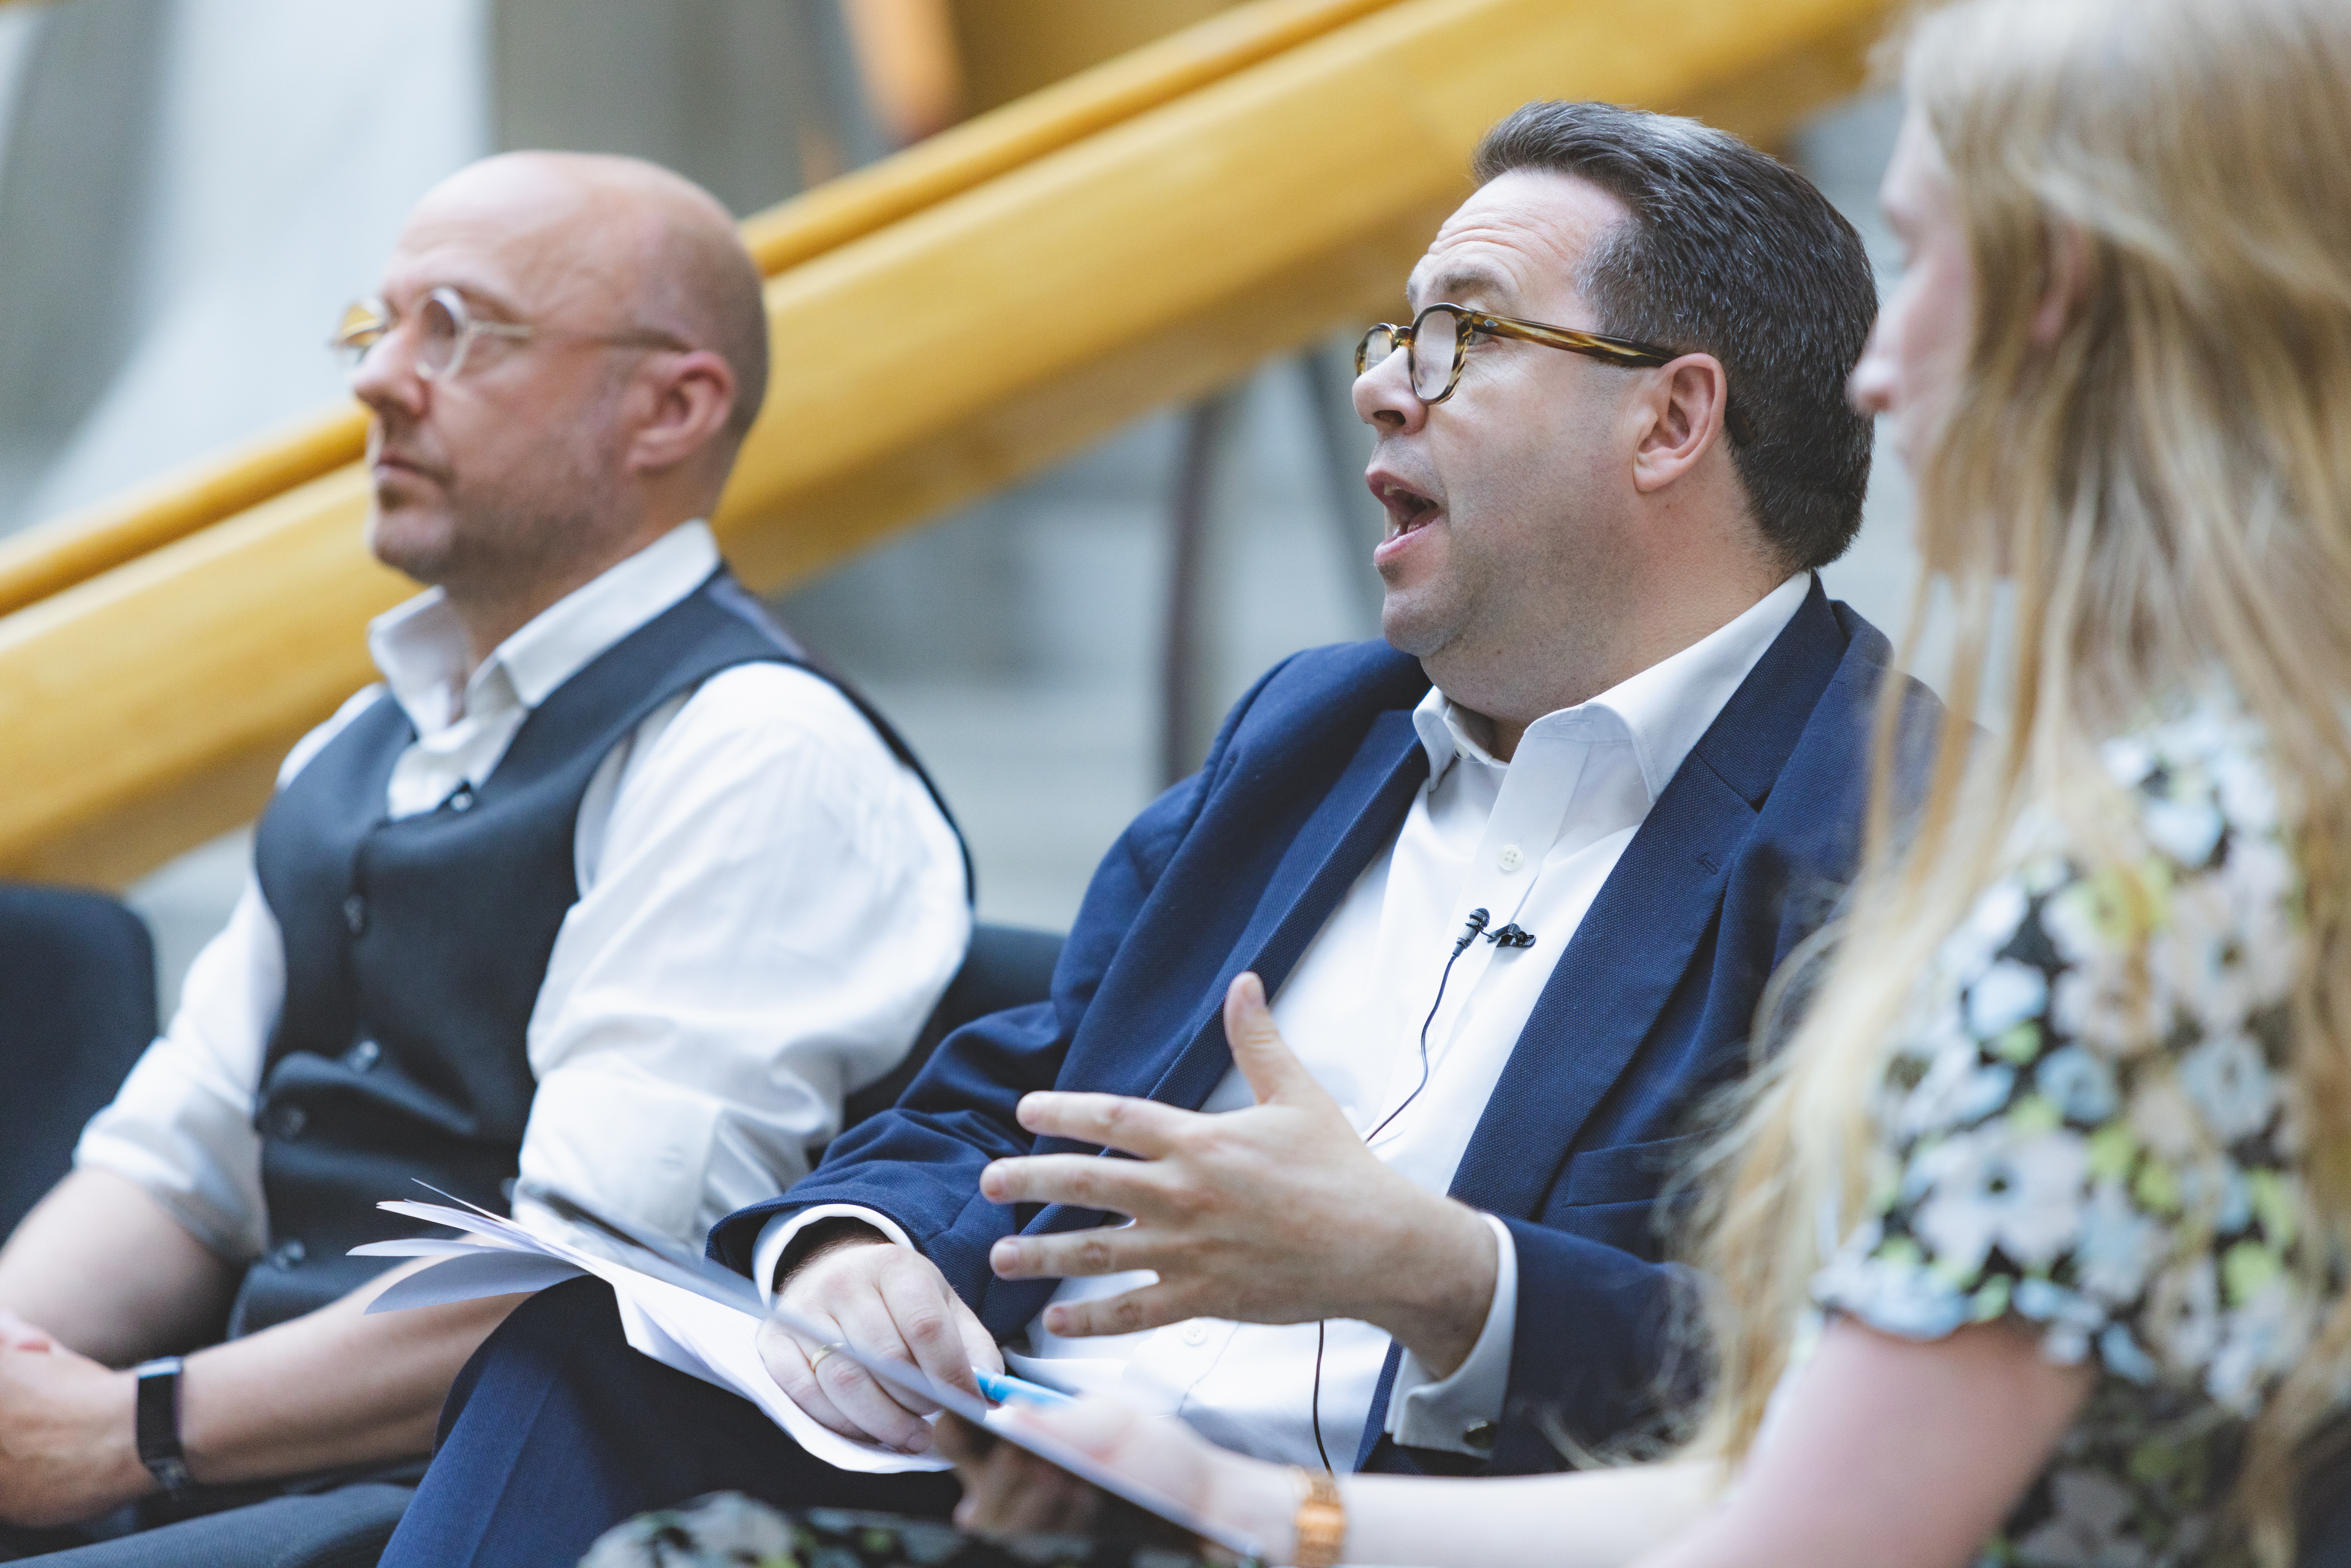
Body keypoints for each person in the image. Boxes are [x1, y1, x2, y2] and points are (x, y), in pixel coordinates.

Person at [382, 100, 1937, 1568]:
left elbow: (1864, 1385)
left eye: (1460, 334)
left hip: (1370, 1530)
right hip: (1027, 1491)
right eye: (1397, 334)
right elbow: (1001, 1099)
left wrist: (1441, 1273)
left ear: (1672, 419)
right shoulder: (1312, 734)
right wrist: (855, 1256)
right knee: (575, 1364)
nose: (1381, 384)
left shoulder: (1901, 823)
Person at [942, 0, 2351, 1563]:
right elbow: (1782, 1458)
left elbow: (1805, 1531)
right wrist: (1242, 1501)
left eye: (1928, 256)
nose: (1875, 372)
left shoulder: (2117, 863)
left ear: (2060, 294)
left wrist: (1420, 1313)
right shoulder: (2204, 816)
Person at [0, 152, 971, 1565]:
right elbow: (179, 1165)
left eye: (456, 329)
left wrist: (124, 1430)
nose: (381, 380)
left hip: (470, 1511)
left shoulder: (758, 750)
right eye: (376, 326)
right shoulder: (359, 739)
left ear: (670, 407)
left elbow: (573, 1279)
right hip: (237, 1479)